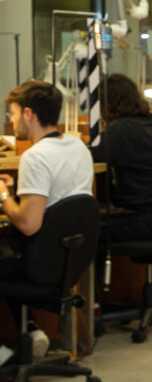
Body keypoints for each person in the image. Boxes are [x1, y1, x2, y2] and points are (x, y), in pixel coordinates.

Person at [1, 80, 94, 278]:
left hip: (41, 261)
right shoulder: (78, 147)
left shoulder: (35, 156)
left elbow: (28, 225)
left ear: (28, 114)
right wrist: (16, 189)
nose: (11, 120)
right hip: (72, 256)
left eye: (14, 113)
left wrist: (2, 195)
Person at [91, 73, 152, 242]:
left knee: (84, 229)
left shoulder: (121, 130)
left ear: (107, 104)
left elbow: (89, 155)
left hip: (142, 221)